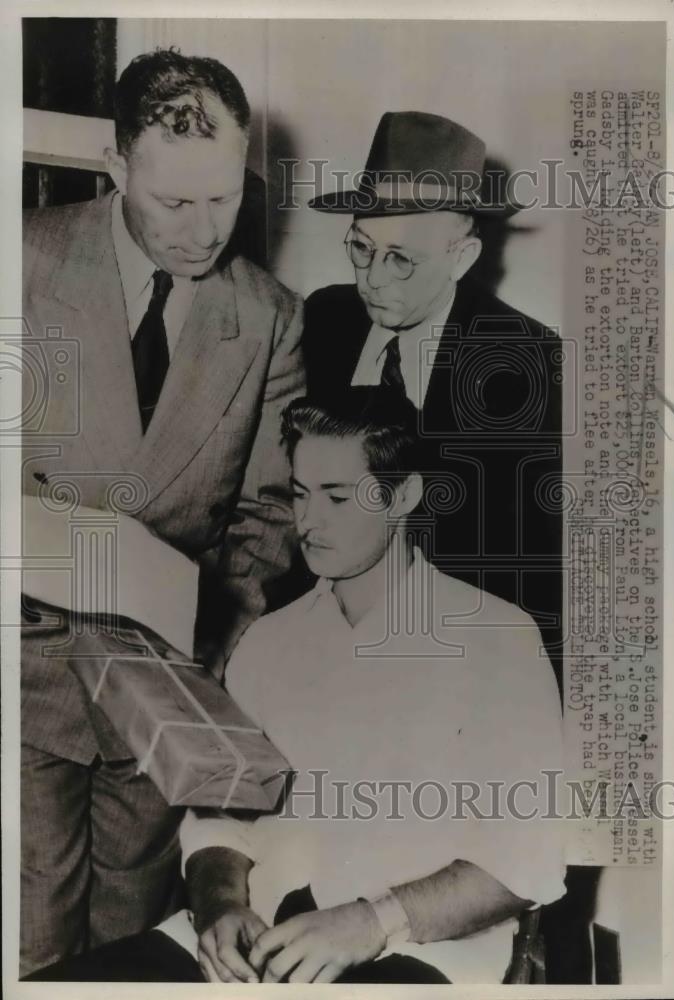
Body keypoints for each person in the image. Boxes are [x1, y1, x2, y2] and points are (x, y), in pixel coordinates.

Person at [27, 388, 566, 984]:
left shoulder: (498, 637)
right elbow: (221, 817)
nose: (308, 520)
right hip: (257, 942)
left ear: (405, 495)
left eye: (337, 497)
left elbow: (527, 854)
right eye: (302, 494)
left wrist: (372, 921)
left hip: (415, 950)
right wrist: (220, 904)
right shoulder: (266, 642)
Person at [20, 48, 304, 975]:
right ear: (116, 170)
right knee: (30, 937)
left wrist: (213, 640)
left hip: (165, 699)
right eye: (173, 203)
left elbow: (267, 511)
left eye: (223, 198)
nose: (203, 230)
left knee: (135, 949)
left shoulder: (268, 318)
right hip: (23, 677)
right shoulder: (20, 264)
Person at [303, 111, 562, 675]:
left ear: (462, 258)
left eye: (401, 259)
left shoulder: (531, 363)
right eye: (361, 248)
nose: (372, 278)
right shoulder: (323, 321)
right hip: (332, 643)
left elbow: (545, 574)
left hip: (467, 664)